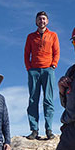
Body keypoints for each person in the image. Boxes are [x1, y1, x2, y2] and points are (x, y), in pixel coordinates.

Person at [24, 11, 60, 140]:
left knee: (48, 100)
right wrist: (29, 68)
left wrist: (53, 65)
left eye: (44, 19)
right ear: (36, 21)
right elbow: (26, 53)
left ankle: (49, 129)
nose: (42, 21)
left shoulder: (53, 35)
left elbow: (56, 52)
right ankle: (34, 130)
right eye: (39, 19)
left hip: (48, 70)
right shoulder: (30, 37)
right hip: (34, 70)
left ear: (47, 21)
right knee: (33, 99)